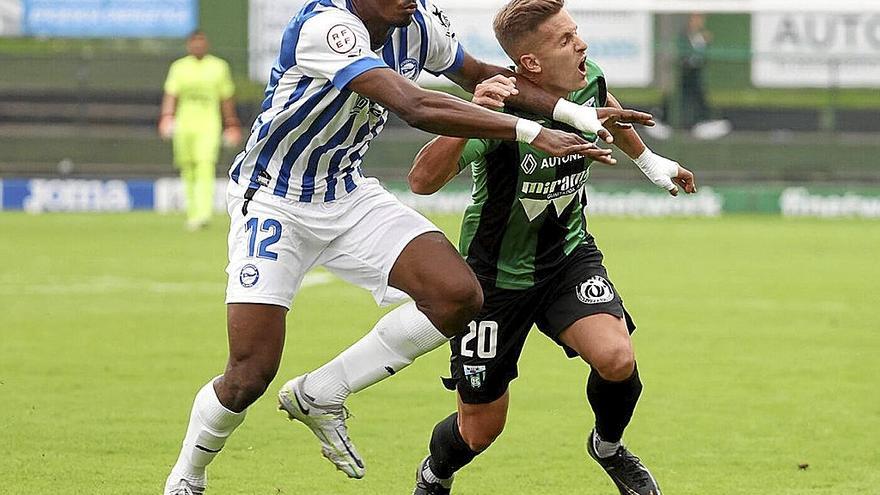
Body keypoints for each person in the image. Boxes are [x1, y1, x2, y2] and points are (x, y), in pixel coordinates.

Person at [163, 0, 654, 492]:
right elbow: (413, 106)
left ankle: (321, 392)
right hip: (273, 201)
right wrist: (532, 130)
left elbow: (480, 72)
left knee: (457, 294)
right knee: (250, 373)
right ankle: (188, 475)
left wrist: (572, 112)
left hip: (347, 192)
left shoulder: (417, 25)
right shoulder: (326, 28)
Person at [403, 1, 696, 494]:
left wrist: (650, 161)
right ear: (531, 64)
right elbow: (422, 180)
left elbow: (606, 109)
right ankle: (436, 473)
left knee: (617, 357)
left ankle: (607, 447)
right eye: (565, 40)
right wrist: (474, 114)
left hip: (567, 259)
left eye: (575, 33)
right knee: (480, 430)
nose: (581, 44)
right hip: (492, 282)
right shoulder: (500, 111)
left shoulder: (589, 77)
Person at [159, 30, 243, 231]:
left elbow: (226, 97)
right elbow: (171, 95)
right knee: (187, 168)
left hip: (209, 125)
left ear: (206, 44)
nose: (197, 46)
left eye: (201, 42)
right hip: (184, 125)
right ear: (189, 45)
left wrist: (231, 123)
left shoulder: (219, 66)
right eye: (194, 43)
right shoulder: (179, 67)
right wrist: (166, 117)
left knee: (205, 166)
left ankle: (203, 214)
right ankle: (192, 211)